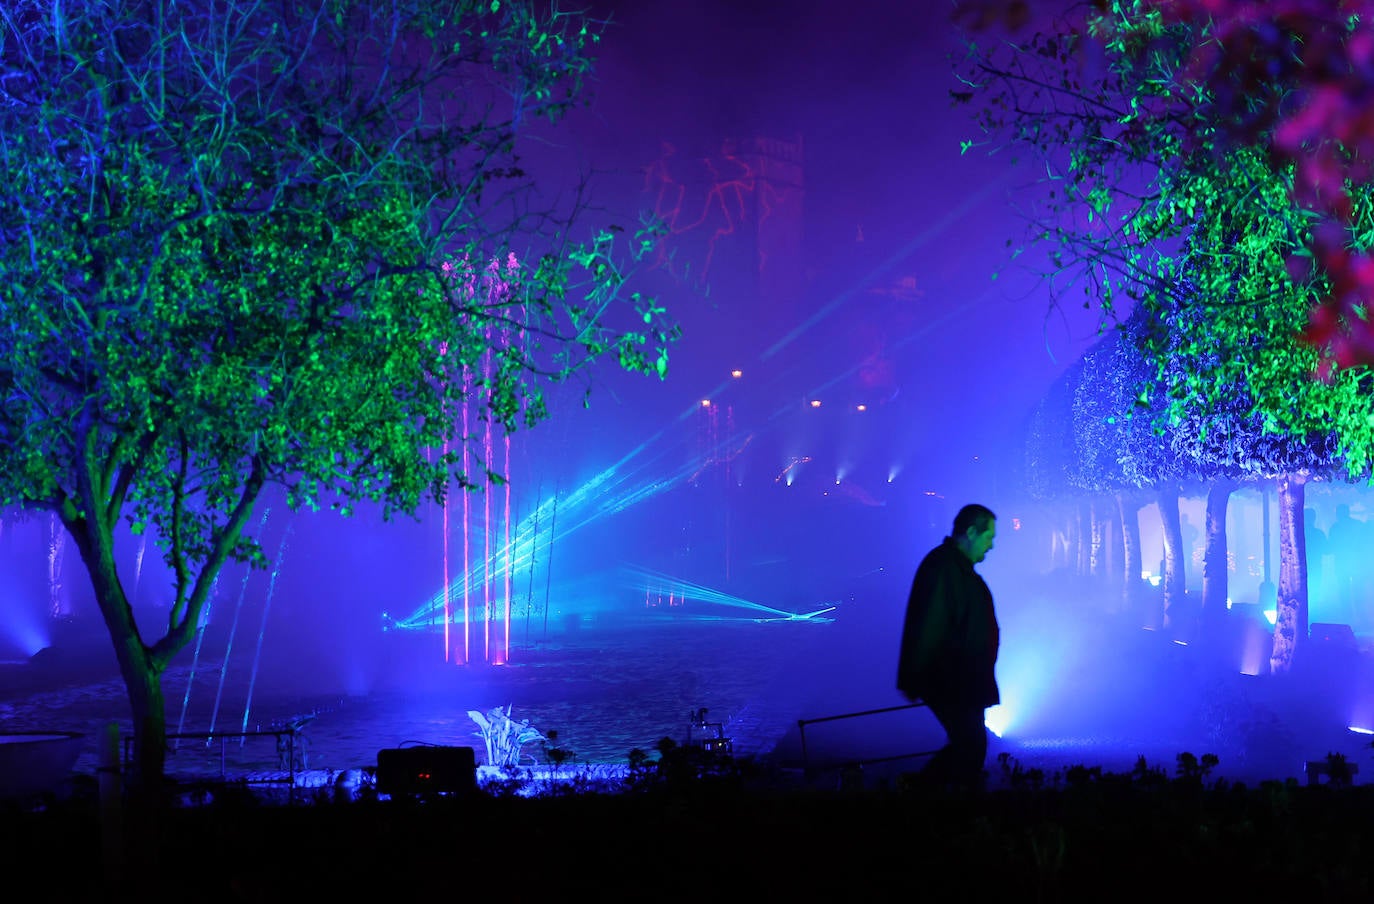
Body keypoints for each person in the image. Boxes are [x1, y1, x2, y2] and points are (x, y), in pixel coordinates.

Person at [896, 503, 1000, 790]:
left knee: (968, 745)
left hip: (960, 679)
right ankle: (928, 801)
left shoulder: (950, 568)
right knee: (971, 745)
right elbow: (930, 623)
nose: (990, 546)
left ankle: (927, 799)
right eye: (988, 537)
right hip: (953, 679)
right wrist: (917, 674)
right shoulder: (946, 569)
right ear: (970, 532)